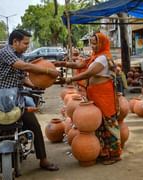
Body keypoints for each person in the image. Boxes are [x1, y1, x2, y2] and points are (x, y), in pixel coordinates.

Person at [0, 29, 59, 171]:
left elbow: (23, 76)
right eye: (25, 43)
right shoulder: (6, 52)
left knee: (34, 126)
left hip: (15, 98)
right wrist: (49, 71)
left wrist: (35, 86)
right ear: (15, 42)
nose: (27, 46)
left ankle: (43, 160)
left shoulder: (20, 55)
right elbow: (25, 67)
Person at [55, 32, 122, 165]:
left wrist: (70, 79)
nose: (92, 46)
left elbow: (89, 73)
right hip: (96, 94)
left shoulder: (103, 58)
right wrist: (62, 63)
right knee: (99, 125)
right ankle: (103, 152)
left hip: (105, 96)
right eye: (91, 42)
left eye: (95, 43)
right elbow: (80, 65)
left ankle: (115, 154)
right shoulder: (95, 57)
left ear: (102, 43)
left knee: (108, 124)